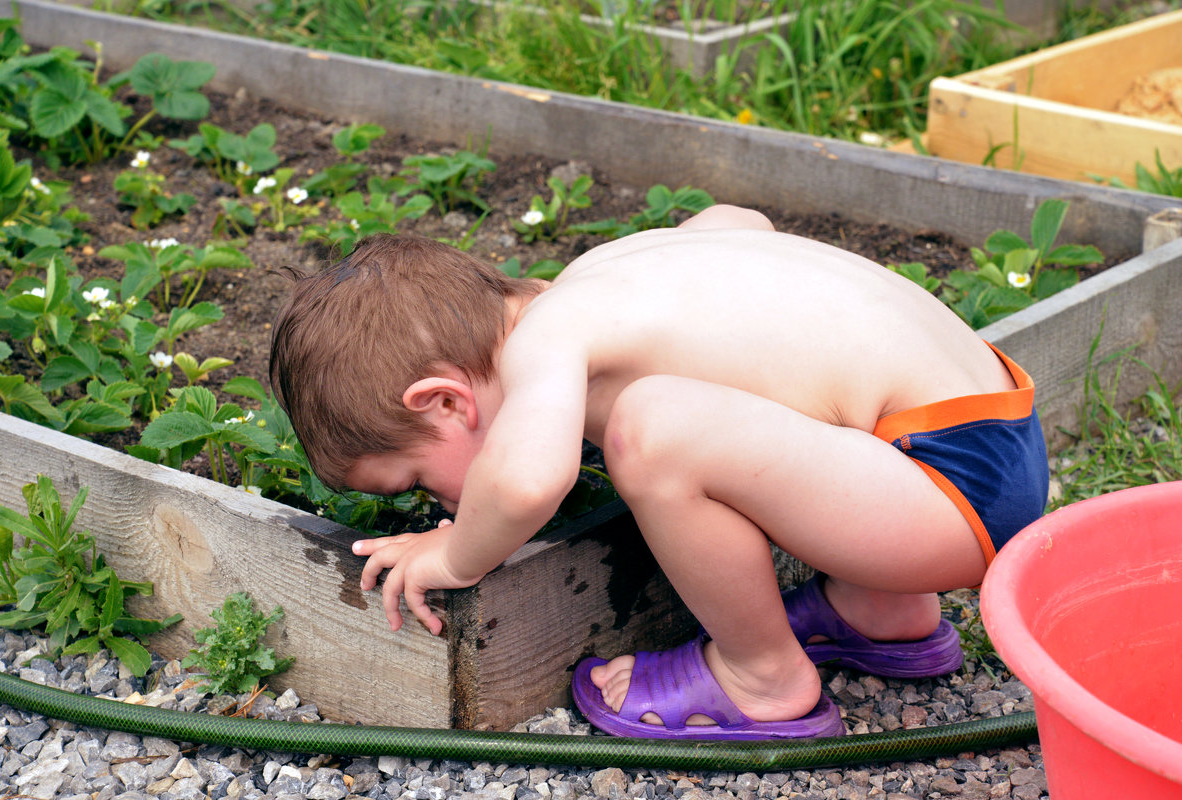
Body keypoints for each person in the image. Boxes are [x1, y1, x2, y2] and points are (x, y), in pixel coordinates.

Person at [269, 204, 1049, 740]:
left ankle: (762, 680)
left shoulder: (551, 342)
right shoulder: (606, 275)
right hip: (985, 435)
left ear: (443, 399)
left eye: (415, 483)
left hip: (947, 492)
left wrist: (451, 551)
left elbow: (527, 482)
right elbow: (738, 223)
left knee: (653, 427)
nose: (434, 501)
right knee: (770, 392)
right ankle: (884, 611)